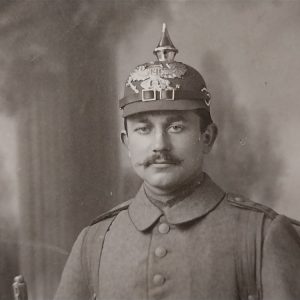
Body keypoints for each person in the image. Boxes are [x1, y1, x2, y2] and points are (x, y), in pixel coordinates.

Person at [54, 24, 300, 300]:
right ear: (127, 143)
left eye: (176, 127)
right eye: (143, 129)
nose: (159, 145)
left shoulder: (262, 235)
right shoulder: (93, 241)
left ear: (207, 137)